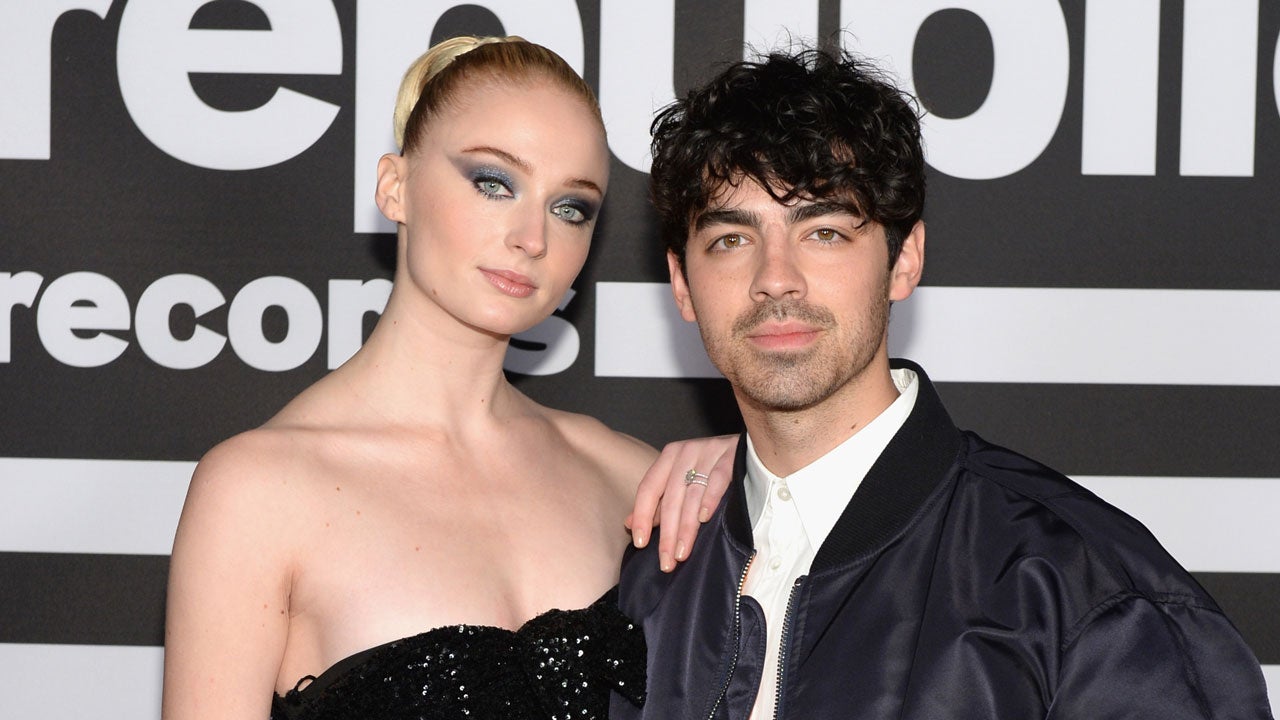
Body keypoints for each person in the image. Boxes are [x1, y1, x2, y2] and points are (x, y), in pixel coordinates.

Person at [614, 47, 1274, 719]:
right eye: (731, 239)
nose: (775, 277)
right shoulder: (655, 575)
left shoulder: (1083, 590)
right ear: (681, 283)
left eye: (826, 232)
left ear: (905, 261)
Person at [161, 36, 733, 720]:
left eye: (570, 207)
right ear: (394, 187)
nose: (532, 236)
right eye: (495, 183)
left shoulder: (632, 480)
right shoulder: (256, 492)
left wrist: (762, 476)